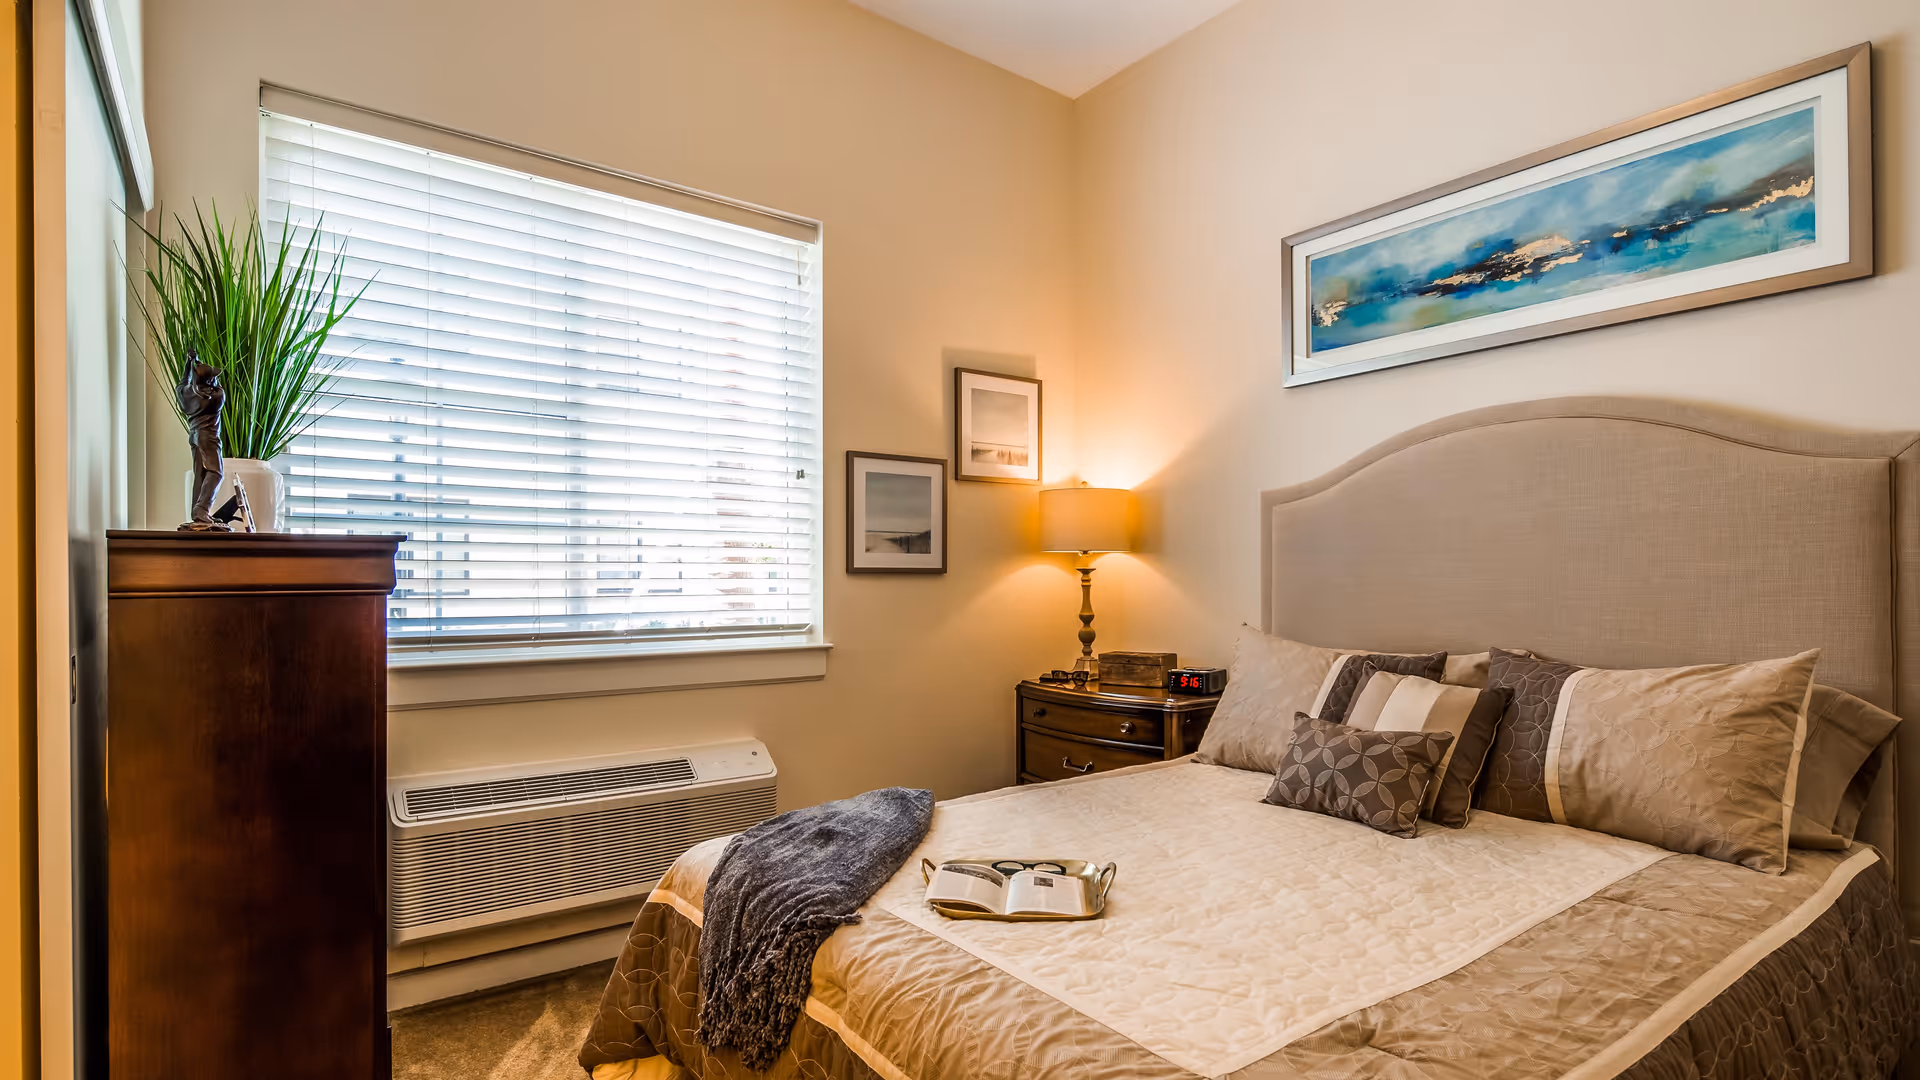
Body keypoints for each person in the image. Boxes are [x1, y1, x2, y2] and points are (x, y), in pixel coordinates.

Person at [178, 354, 228, 530]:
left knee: (200, 474)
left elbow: (181, 384)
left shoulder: (187, 394)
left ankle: (198, 514)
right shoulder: (216, 396)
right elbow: (218, 386)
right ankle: (202, 509)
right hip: (209, 438)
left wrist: (189, 365)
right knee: (216, 472)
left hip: (194, 436)